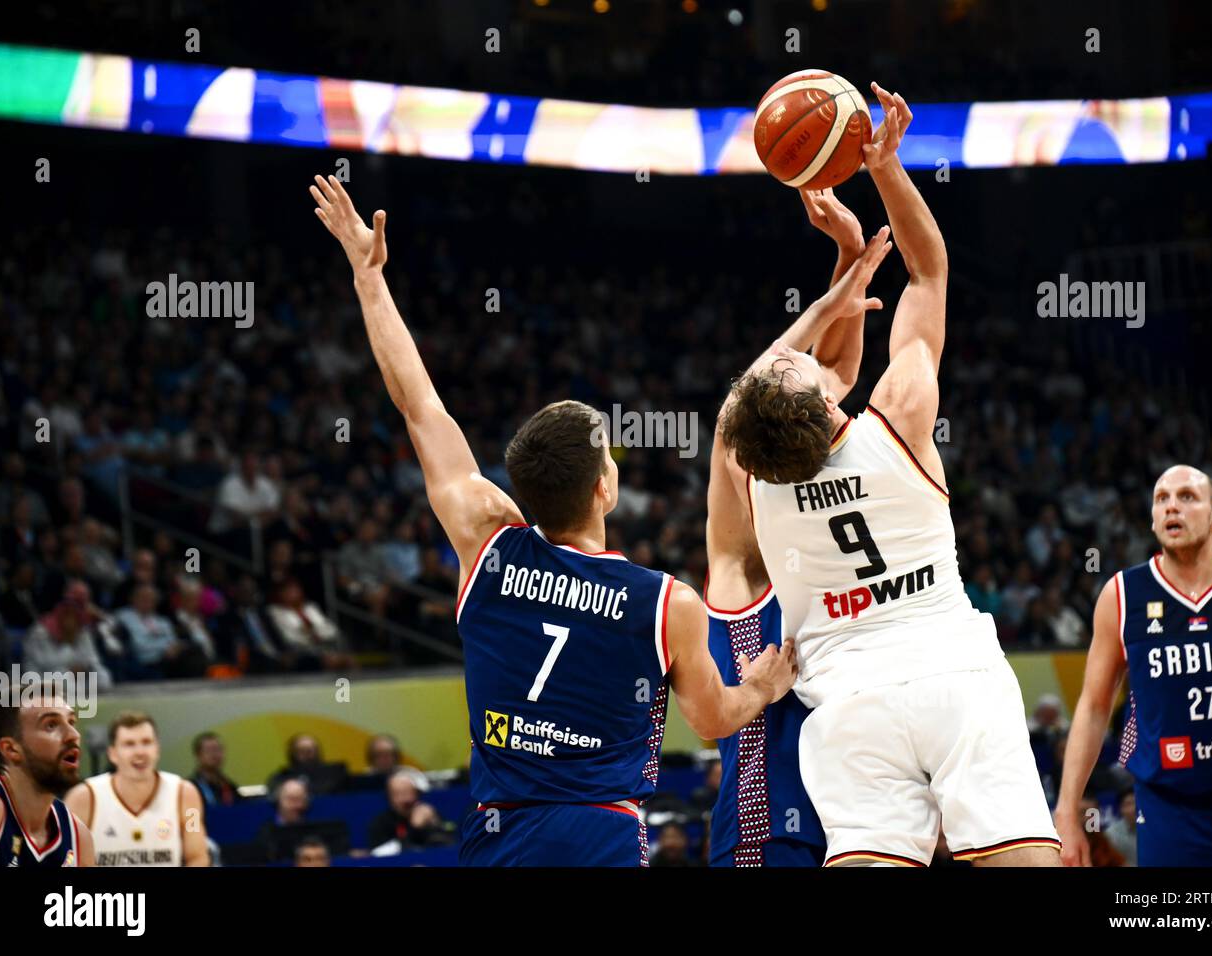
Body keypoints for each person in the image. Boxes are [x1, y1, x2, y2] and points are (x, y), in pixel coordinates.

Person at [309, 173, 802, 866]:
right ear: (605, 488)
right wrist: (762, 684)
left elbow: (419, 406)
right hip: (600, 831)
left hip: (500, 832)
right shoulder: (666, 603)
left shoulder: (487, 540)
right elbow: (714, 718)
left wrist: (368, 277)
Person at [718, 84, 1058, 867]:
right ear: (823, 396)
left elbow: (747, 396)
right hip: (955, 676)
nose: (798, 359)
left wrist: (840, 276)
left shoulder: (752, 477)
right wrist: (885, 168)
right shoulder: (899, 415)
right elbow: (930, 274)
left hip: (847, 707)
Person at [704, 187, 884, 868]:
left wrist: (845, 263)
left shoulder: (813, 499)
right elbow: (737, 410)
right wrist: (834, 292)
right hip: (767, 830)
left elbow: (831, 373)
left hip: (858, 824)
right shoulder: (744, 559)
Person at [1056, 464, 1212, 866]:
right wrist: (1067, 811)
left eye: (1187, 497)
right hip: (1168, 807)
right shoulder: (1122, 595)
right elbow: (1094, 707)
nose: (1171, 508)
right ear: (1151, 520)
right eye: (1161, 499)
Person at [65, 711, 209, 866]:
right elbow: (68, 859)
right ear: (112, 754)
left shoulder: (186, 794)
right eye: (129, 744)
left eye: (146, 742)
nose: (140, 752)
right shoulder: (83, 798)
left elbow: (197, 857)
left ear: (157, 749)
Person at [0, 691, 95, 867]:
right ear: (11, 749)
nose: (73, 735)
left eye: (71, 722)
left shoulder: (77, 836)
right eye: (51, 725)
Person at [367, 771, 454, 851]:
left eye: (409, 793)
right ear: (389, 798)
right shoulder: (380, 823)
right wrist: (414, 828)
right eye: (399, 794)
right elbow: (380, 854)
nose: (406, 799)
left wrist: (436, 823)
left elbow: (450, 841)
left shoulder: (428, 814)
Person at [189, 732, 239, 808]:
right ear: (198, 755)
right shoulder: (190, 787)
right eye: (209, 750)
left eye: (218, 749)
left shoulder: (229, 786)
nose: (214, 754)